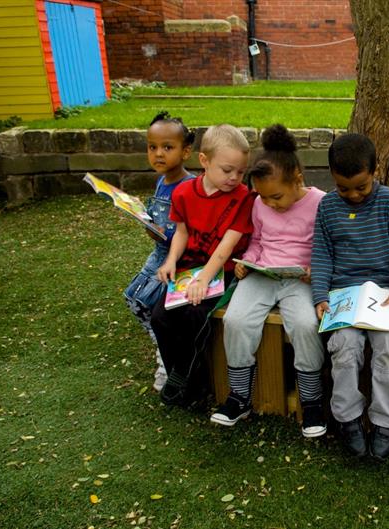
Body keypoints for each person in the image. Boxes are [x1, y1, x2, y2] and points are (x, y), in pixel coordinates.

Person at [211, 124, 328, 438]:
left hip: (300, 279)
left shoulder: (320, 202)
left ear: (298, 179)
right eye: (264, 197)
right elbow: (259, 240)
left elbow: (326, 246)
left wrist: (314, 272)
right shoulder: (260, 203)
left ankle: (312, 401)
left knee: (305, 325)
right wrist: (246, 262)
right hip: (262, 274)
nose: (271, 203)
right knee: (235, 320)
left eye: (277, 196)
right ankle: (239, 397)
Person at [311, 133, 389, 460]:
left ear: (375, 172)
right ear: (332, 177)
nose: (353, 195)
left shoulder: (387, 201)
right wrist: (320, 296)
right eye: (343, 188)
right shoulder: (327, 206)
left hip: (383, 296)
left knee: (386, 349)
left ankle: (385, 422)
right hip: (343, 297)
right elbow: (322, 255)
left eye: (361, 187)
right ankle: (348, 419)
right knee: (345, 348)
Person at [151, 124, 255, 408]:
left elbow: (226, 248)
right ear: (204, 161)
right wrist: (170, 260)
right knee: (160, 317)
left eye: (241, 171)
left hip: (223, 271)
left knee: (195, 316)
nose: (234, 178)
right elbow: (181, 232)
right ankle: (178, 373)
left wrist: (203, 280)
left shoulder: (243, 197)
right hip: (188, 270)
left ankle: (192, 382)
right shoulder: (184, 193)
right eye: (227, 170)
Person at [124, 111, 196, 392]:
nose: (158, 154)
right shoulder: (161, 181)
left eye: (168, 147)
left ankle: (167, 356)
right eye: (152, 147)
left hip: (174, 258)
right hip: (158, 252)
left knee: (148, 303)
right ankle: (163, 344)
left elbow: (188, 230)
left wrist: (162, 233)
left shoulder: (187, 186)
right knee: (132, 297)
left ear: (186, 151)